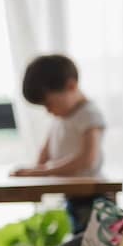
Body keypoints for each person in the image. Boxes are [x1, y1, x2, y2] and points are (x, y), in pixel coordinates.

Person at [12, 54, 106, 233]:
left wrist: (44, 171)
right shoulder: (61, 117)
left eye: (49, 104)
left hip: (93, 199)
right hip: (73, 197)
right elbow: (45, 151)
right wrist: (34, 171)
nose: (48, 111)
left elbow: (88, 159)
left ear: (71, 86)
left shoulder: (89, 115)